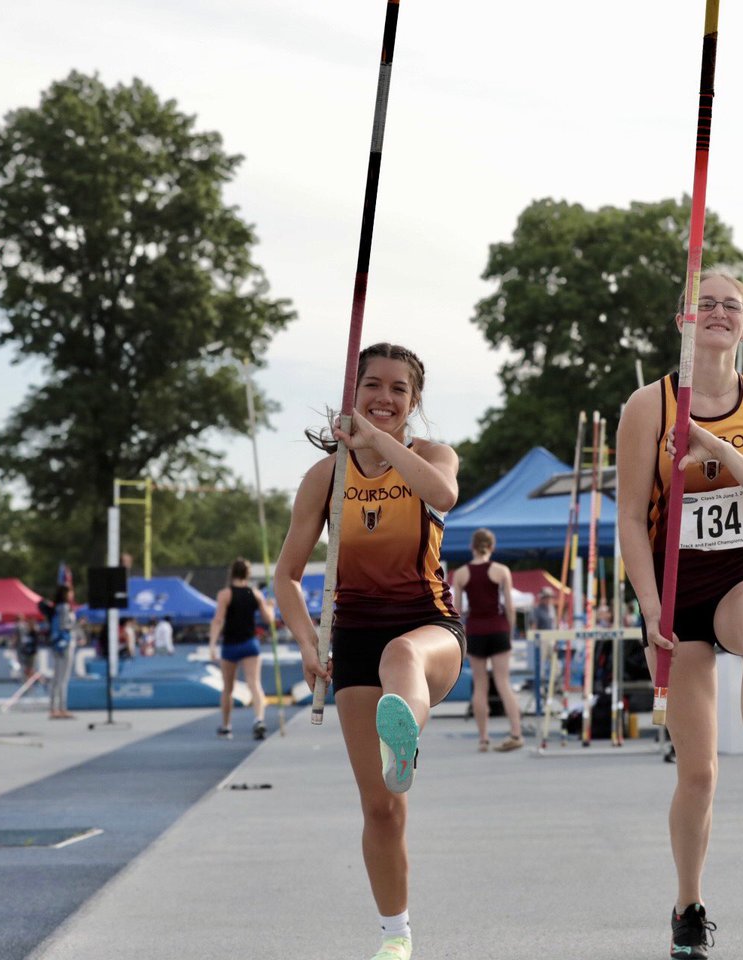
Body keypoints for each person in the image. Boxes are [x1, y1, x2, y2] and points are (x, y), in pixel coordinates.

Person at [617, 270, 743, 959]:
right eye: (706, 303)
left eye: (732, 305)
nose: (719, 312)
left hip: (736, 573)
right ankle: (688, 904)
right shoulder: (648, 405)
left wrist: (718, 448)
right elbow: (631, 518)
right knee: (695, 773)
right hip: (673, 589)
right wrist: (648, 603)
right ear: (683, 321)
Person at [274, 342, 465, 960]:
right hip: (352, 637)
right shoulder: (323, 478)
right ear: (352, 393)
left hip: (427, 623)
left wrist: (376, 442)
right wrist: (308, 643)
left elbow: (443, 495)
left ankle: (404, 729)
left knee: (401, 661)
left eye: (399, 390)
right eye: (373, 386)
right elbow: (286, 576)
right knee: (381, 808)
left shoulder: (431, 455)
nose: (385, 398)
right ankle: (395, 935)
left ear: (414, 402)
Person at [451, 528, 523, 752]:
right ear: (492, 547)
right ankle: (516, 733)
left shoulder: (461, 574)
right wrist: (509, 631)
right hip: (498, 627)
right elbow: (510, 607)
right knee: (503, 683)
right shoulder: (502, 571)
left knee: (480, 686)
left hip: (476, 629)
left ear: (472, 547)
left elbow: (458, 610)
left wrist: (461, 637)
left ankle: (483, 738)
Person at [209, 558, 275, 740]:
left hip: (230, 645)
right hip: (249, 644)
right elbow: (269, 619)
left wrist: (212, 644)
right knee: (254, 683)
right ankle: (259, 719)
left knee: (227, 688)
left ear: (232, 573)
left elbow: (218, 620)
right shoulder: (255, 594)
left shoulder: (225, 594)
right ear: (248, 574)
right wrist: (271, 607)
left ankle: (226, 726)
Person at [46, 585, 78, 718]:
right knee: (62, 678)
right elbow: (65, 625)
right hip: (65, 643)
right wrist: (76, 625)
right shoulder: (64, 608)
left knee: (57, 677)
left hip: (58, 644)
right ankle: (61, 708)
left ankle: (54, 707)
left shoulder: (57, 608)